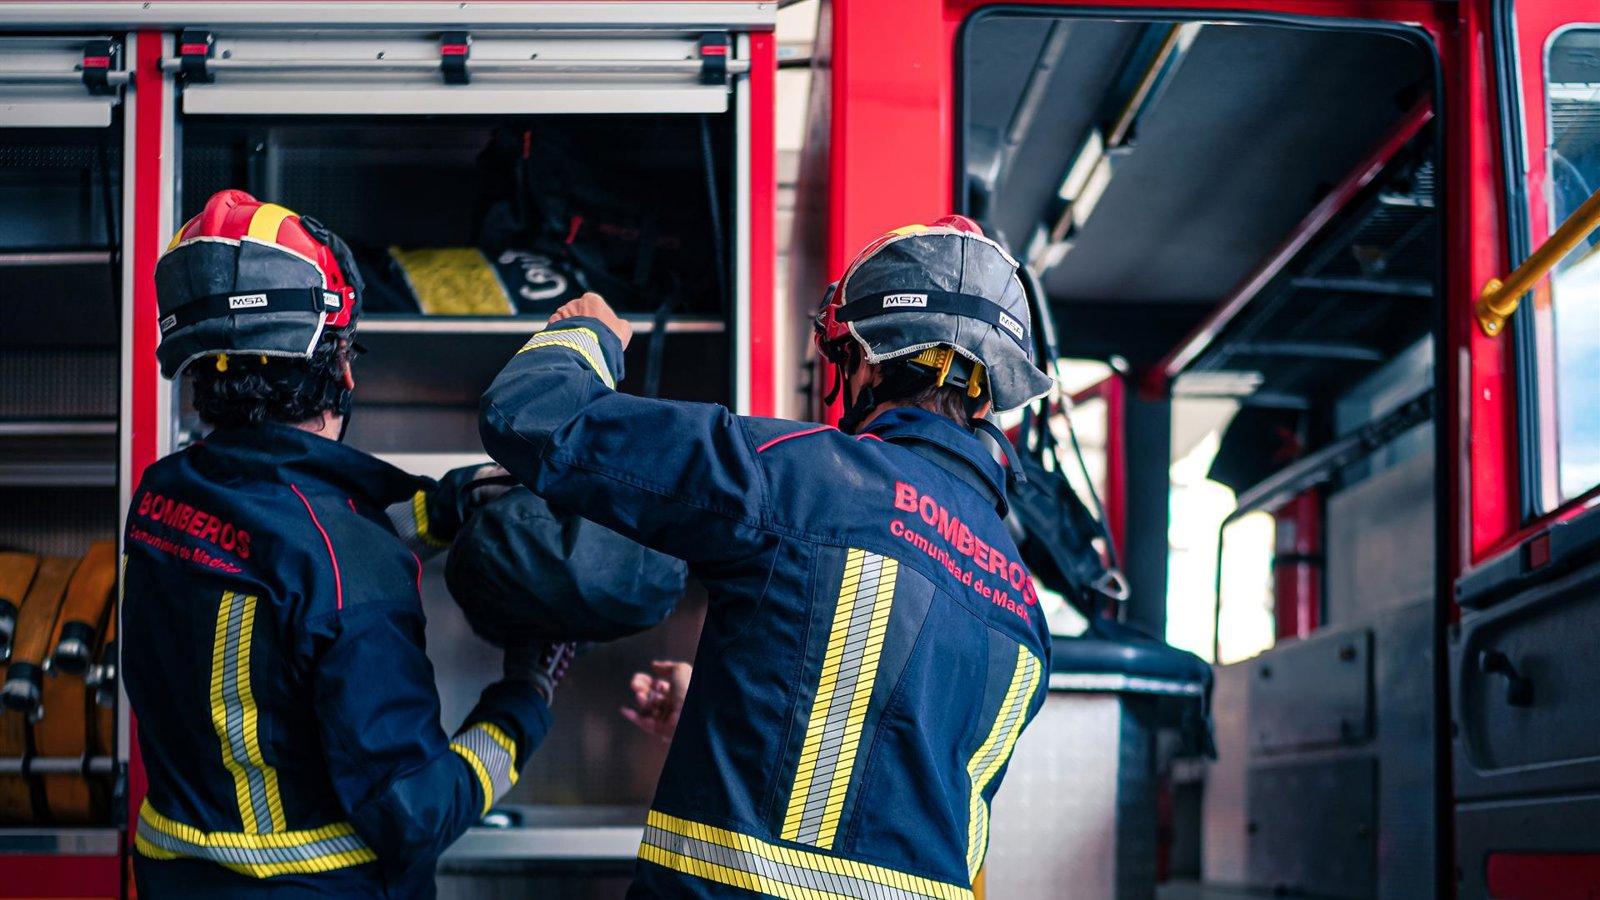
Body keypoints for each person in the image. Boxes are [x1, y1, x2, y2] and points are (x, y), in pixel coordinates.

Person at [481, 215, 1055, 898]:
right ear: (989, 395)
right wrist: (745, 705)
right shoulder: (1024, 610)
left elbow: (531, 412)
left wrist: (587, 333)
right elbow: (924, 802)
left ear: (867, 360)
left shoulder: (803, 478)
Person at [122, 189, 573, 898]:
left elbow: (282, 558)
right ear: (342, 365)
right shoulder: (348, 565)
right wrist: (525, 697)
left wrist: (447, 503)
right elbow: (417, 812)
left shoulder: (164, 494)